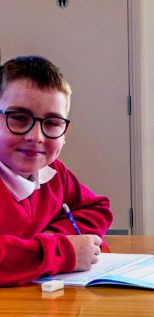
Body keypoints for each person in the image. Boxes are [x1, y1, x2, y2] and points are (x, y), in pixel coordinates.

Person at [0, 56, 112, 286]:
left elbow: (98, 208)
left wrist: (48, 239)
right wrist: (64, 251)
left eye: (52, 123)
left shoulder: (53, 172)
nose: (36, 137)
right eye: (19, 118)